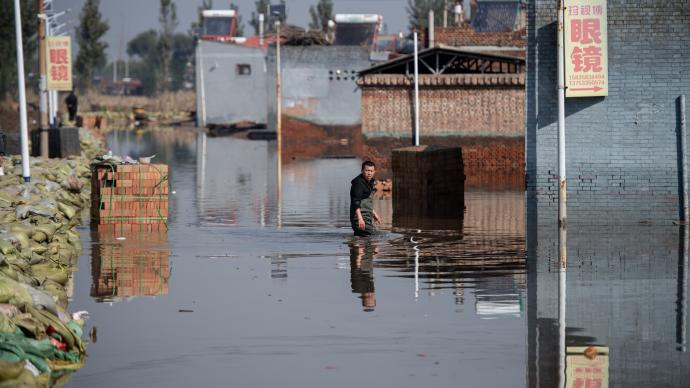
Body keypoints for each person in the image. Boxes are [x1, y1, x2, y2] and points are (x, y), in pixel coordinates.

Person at [350, 160, 381, 236]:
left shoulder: (369, 182)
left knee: (361, 239)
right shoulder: (358, 183)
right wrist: (360, 219)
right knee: (376, 236)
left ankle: (356, 247)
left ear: (374, 172)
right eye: (367, 170)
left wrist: (374, 213)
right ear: (362, 171)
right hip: (360, 218)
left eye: (371, 171)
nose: (369, 173)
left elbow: (366, 201)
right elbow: (356, 201)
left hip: (366, 217)